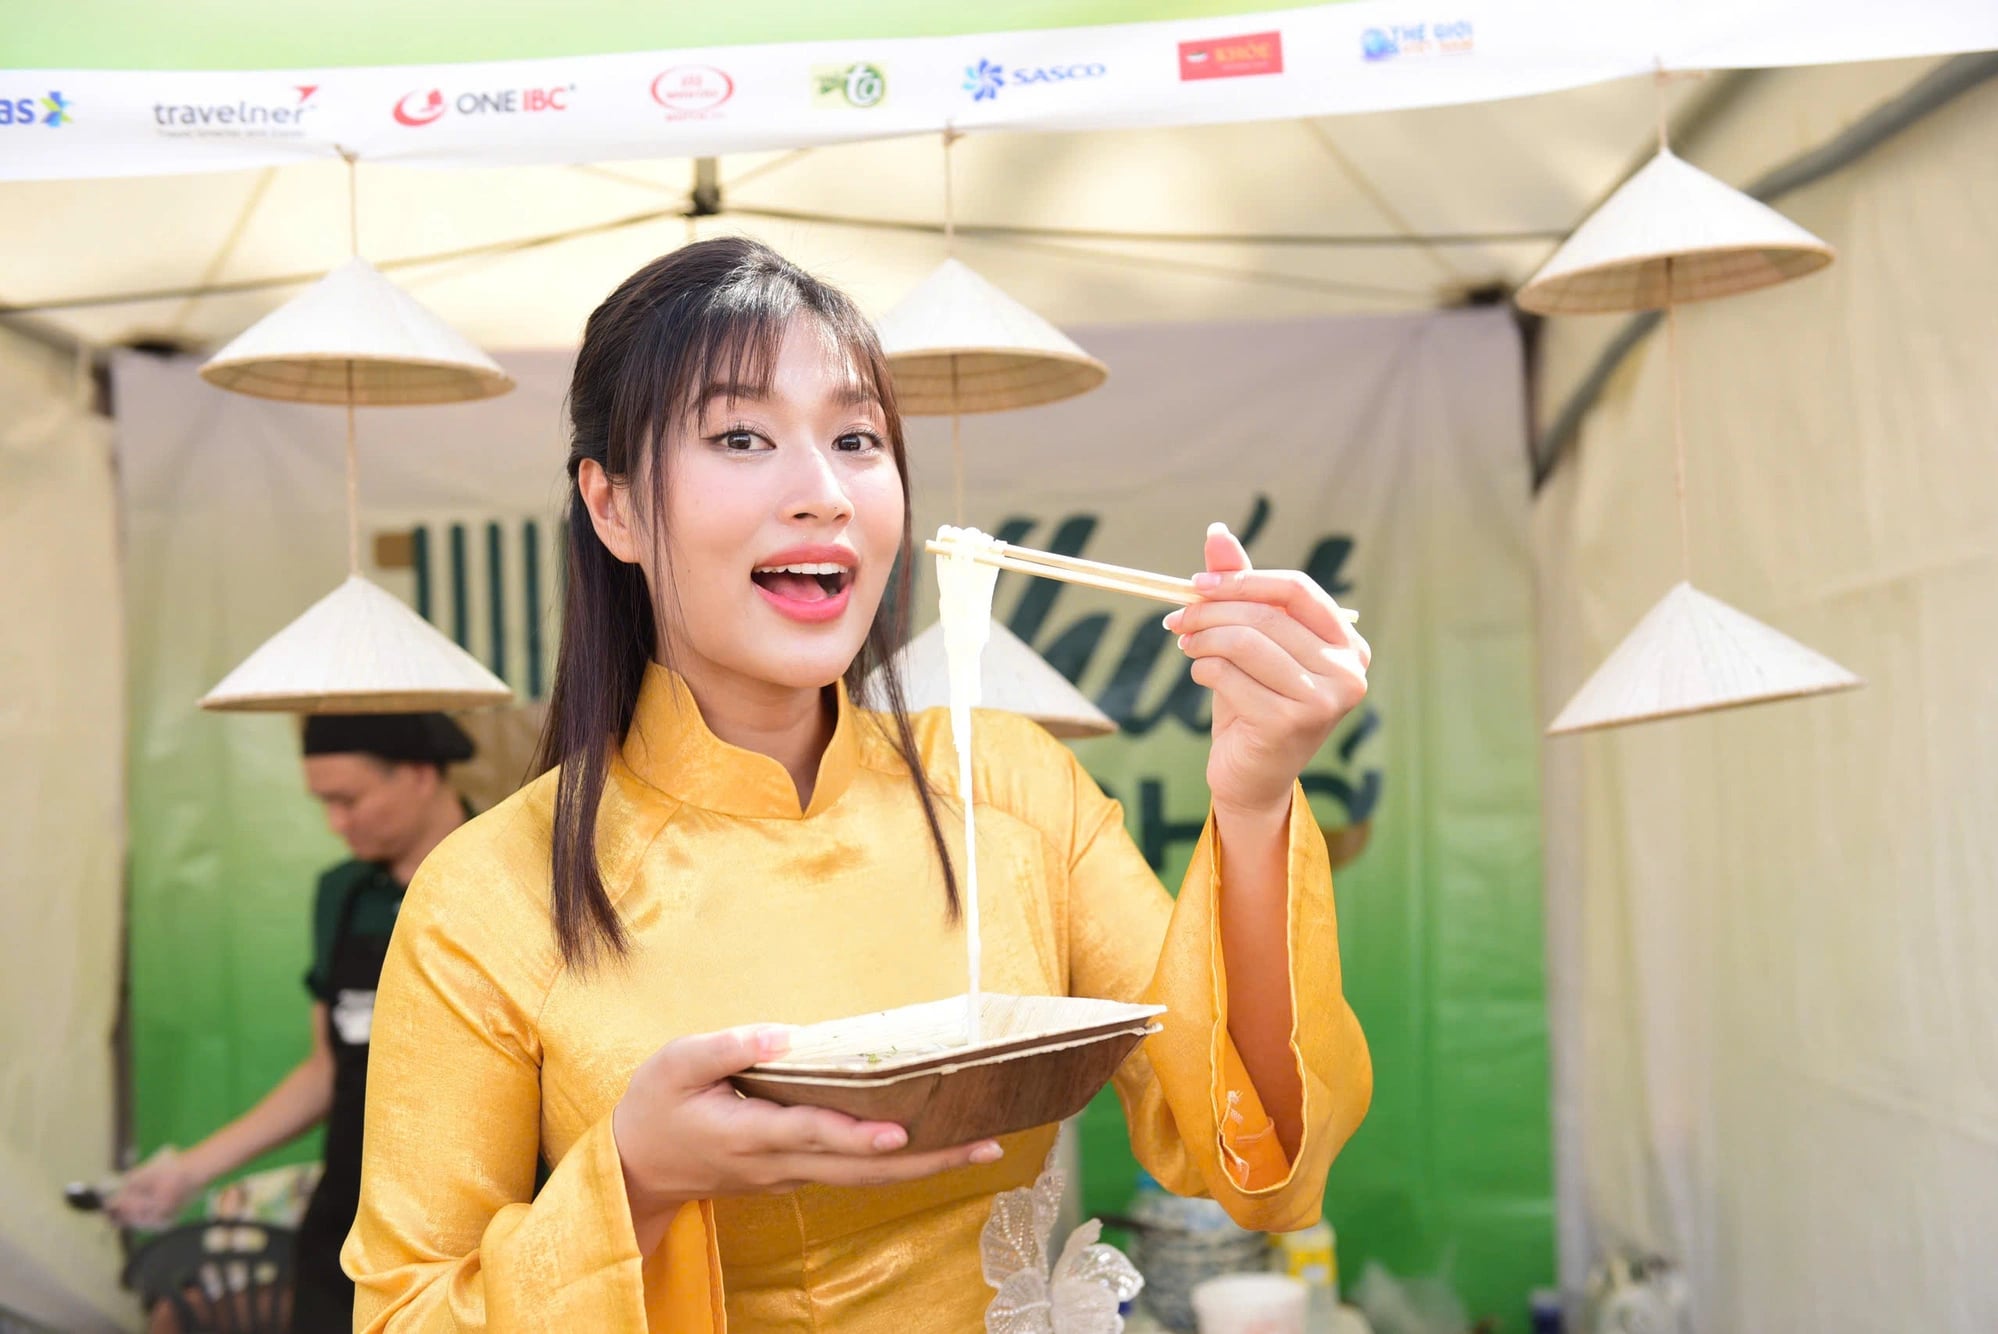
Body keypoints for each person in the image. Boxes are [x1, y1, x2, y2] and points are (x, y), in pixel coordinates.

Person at [344, 238, 1375, 1331]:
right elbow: (402, 1311)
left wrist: (1254, 795)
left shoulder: (1009, 786)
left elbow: (1254, 1157)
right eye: (740, 436)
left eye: (856, 438)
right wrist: (635, 1180)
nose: (823, 492)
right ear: (612, 507)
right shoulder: (488, 892)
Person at [112, 712, 475, 1333]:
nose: (336, 823)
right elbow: (326, 1071)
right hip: (350, 1206)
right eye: (323, 803)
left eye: (348, 799)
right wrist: (188, 1171)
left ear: (418, 774)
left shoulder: (510, 875)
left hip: (472, 1210)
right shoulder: (342, 894)